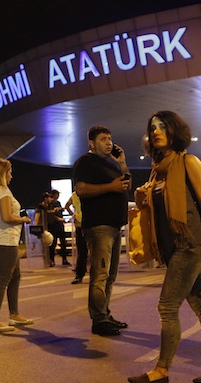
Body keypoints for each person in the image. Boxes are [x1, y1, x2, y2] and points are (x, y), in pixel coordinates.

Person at [127, 111, 201, 383]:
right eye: (152, 128)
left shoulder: (188, 161)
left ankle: (161, 371)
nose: (157, 131)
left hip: (190, 243)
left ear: (175, 131)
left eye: (162, 127)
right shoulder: (158, 169)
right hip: (172, 247)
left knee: (167, 306)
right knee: (200, 304)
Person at [73, 125, 130, 336]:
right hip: (99, 226)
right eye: (104, 139)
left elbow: (126, 184)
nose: (109, 143)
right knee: (100, 274)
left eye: (110, 138)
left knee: (110, 276)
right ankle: (98, 320)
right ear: (91, 143)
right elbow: (81, 189)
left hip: (114, 225)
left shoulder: (111, 164)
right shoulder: (85, 162)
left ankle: (104, 313)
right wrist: (110, 187)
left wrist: (122, 163)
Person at [0, 158, 34, 332]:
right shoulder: (3, 191)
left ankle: (14, 315)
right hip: (7, 240)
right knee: (4, 279)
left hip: (1, 239)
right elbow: (7, 217)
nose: (11, 176)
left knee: (15, 276)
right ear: (2, 173)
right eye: (9, 172)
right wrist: (23, 219)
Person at [65, 190, 88, 284]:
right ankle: (80, 274)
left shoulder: (75, 195)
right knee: (83, 251)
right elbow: (66, 206)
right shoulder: (87, 192)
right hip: (85, 224)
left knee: (83, 251)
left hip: (84, 224)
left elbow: (67, 206)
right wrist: (73, 215)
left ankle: (80, 275)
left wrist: (73, 215)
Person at [48, 190, 71, 266]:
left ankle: (64, 259)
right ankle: (51, 260)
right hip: (53, 225)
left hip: (60, 225)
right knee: (53, 243)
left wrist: (61, 210)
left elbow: (60, 211)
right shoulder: (49, 204)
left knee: (63, 242)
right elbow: (50, 214)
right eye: (57, 194)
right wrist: (57, 216)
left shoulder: (58, 203)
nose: (58, 196)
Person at [34, 192, 54, 266]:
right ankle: (46, 261)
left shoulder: (50, 206)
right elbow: (37, 217)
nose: (50, 199)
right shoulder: (40, 207)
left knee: (50, 244)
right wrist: (36, 227)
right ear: (45, 198)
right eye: (48, 197)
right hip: (43, 228)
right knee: (45, 245)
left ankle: (50, 260)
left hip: (50, 227)